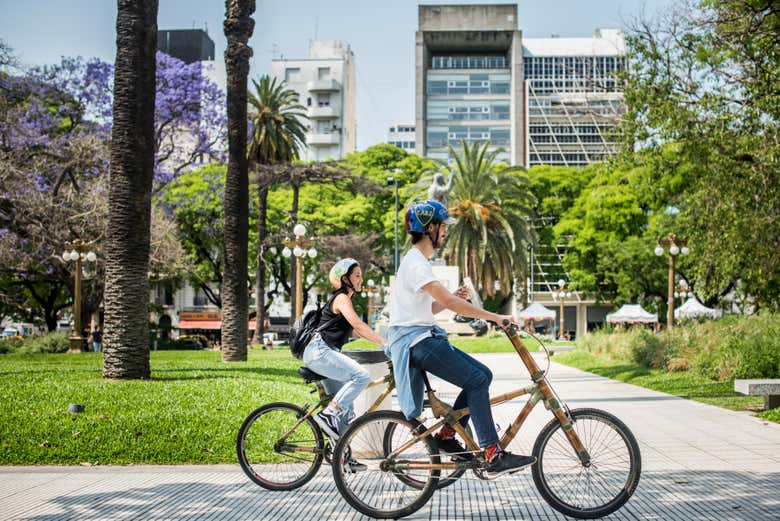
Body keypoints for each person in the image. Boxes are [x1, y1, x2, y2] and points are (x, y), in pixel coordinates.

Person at [386, 200, 536, 478]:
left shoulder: (417, 262)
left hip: (421, 337)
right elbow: (449, 306)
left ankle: (445, 434)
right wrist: (496, 317)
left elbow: (426, 310)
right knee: (477, 380)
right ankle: (493, 453)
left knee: (483, 375)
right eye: (442, 227)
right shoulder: (417, 264)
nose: (445, 232)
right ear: (429, 228)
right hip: (417, 343)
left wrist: (451, 298)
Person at [303, 258, 387, 442]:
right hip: (319, 351)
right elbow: (358, 324)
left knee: (346, 411)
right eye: (357, 275)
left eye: (361, 276)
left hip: (325, 352)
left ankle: (342, 457)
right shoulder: (341, 298)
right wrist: (385, 343)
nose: (361, 280)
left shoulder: (345, 300)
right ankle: (328, 414)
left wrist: (387, 339)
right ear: (345, 279)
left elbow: (357, 331)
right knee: (362, 376)